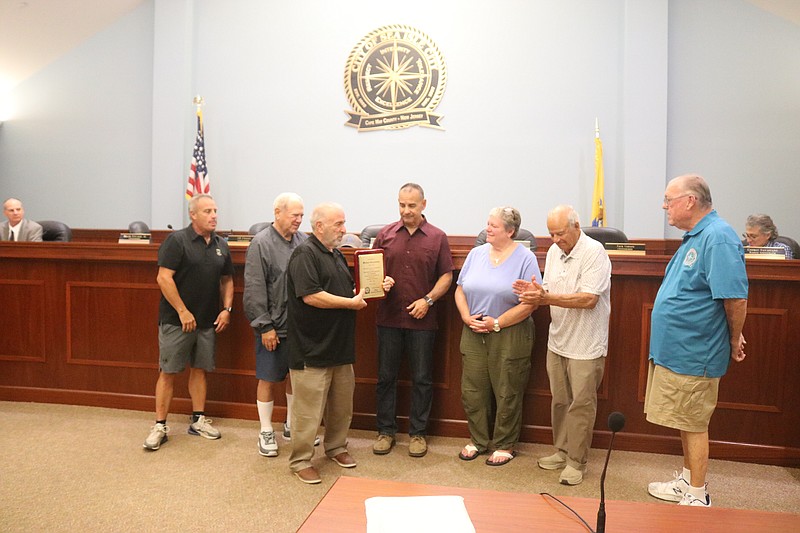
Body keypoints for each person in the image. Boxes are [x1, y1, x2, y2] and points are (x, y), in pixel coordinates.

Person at [646, 175, 748, 507]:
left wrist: (734, 339)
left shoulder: (718, 238)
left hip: (696, 349)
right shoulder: (696, 236)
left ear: (689, 201)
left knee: (693, 421)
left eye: (668, 199)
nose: (664, 206)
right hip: (679, 350)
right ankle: (687, 480)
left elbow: (734, 299)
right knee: (684, 418)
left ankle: (697, 493)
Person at [513, 205, 612, 486]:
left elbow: (588, 299)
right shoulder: (555, 251)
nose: (555, 239)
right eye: (551, 234)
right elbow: (549, 289)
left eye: (560, 233)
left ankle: (576, 461)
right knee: (560, 401)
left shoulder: (594, 253)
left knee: (581, 404)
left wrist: (546, 299)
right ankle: (561, 450)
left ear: (576, 227)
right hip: (558, 339)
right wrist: (536, 293)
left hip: (586, 343)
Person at [143, 194, 234, 450]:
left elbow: (227, 279)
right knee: (169, 372)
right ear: (193, 215)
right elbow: (163, 278)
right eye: (207, 211)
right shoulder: (177, 241)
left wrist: (227, 309)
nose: (214, 215)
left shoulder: (220, 244)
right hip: (177, 321)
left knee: (200, 369)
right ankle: (160, 425)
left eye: (215, 210)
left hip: (207, 320)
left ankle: (198, 420)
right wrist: (182, 311)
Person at [286, 203, 367, 484]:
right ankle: (300, 460)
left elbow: (344, 291)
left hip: (340, 347)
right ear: (319, 226)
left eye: (344, 223)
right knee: (308, 411)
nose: (344, 230)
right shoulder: (304, 254)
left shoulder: (335, 255)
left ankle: (335, 447)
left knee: (341, 407)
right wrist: (350, 303)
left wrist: (369, 289)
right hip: (311, 348)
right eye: (338, 225)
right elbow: (311, 296)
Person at [372, 183, 454, 458]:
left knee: (422, 379)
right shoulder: (384, 235)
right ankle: (385, 431)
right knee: (386, 378)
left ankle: (417, 434)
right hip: (389, 317)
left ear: (423, 205)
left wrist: (428, 300)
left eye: (411, 205)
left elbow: (446, 276)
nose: (406, 210)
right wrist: (379, 282)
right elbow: (370, 272)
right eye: (401, 205)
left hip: (422, 319)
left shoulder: (437, 237)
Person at [454, 207, 541, 466]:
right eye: (487, 224)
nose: (487, 229)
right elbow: (460, 290)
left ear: (510, 231)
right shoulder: (476, 253)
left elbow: (531, 303)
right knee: (473, 389)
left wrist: (497, 323)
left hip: (509, 331)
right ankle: (478, 440)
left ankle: (505, 444)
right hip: (473, 330)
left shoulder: (526, 258)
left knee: (507, 389)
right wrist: (466, 316)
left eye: (493, 226)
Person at [244, 192, 319, 458]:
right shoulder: (261, 244)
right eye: (294, 215)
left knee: (293, 376)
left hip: (298, 326)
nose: (299, 220)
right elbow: (254, 289)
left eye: (301, 215)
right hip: (272, 327)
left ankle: (291, 424)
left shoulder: (303, 241)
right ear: (278, 213)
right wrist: (264, 326)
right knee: (268, 378)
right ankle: (266, 430)